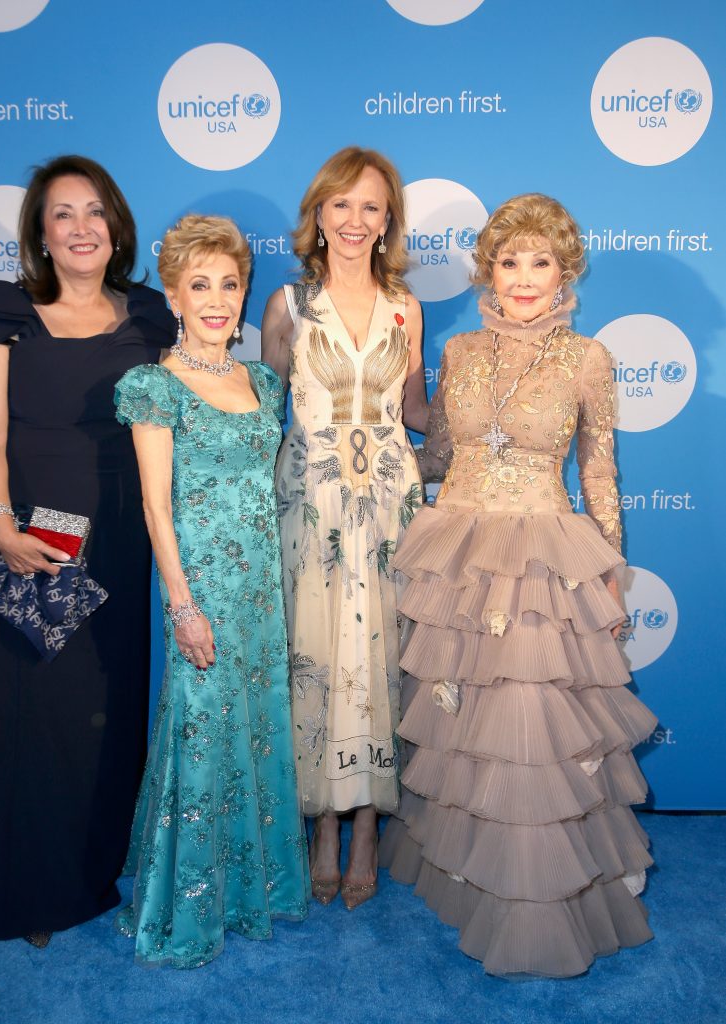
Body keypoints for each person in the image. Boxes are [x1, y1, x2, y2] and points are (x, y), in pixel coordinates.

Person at [379, 193, 657, 977]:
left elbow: (598, 469)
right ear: (487, 271)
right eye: (509, 261)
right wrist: (400, 409)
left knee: (532, 734)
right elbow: (439, 453)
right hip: (459, 547)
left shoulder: (587, 358)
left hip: (538, 557)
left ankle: (537, 901)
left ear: (565, 271)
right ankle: (466, 880)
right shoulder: (461, 351)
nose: (524, 277)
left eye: (541, 262)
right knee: (460, 723)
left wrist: (606, 576)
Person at [0, 155, 174, 946]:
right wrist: (0, 525)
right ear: (40, 234)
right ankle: (32, 891)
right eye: (63, 214)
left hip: (119, 539)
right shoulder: (3, 310)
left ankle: (93, 867)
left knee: (105, 714)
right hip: (26, 542)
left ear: (116, 226)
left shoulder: (153, 315)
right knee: (30, 718)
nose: (81, 227)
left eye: (95, 212)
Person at [113, 214, 310, 968]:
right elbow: (156, 508)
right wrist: (183, 606)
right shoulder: (154, 386)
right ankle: (184, 904)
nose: (218, 300)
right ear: (172, 294)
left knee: (255, 732)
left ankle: (244, 891)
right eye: (200, 285)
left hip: (260, 589)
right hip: (200, 589)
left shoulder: (261, 380)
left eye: (229, 284)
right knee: (201, 732)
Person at [262, 147, 428, 909]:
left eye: (370, 206)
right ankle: (322, 824)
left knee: (382, 659)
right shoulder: (287, 306)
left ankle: (367, 825)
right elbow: (263, 417)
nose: (355, 220)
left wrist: (491, 429)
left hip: (391, 505)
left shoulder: (406, 308)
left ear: (386, 217)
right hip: (312, 506)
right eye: (341, 205)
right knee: (318, 661)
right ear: (318, 215)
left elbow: (418, 412)